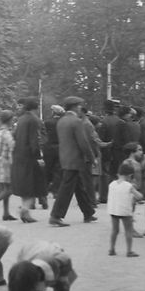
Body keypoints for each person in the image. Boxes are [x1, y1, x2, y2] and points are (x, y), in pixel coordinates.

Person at [49, 97, 97, 227]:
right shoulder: (76, 121)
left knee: (78, 186)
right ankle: (56, 215)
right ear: (76, 107)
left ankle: (88, 212)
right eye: (80, 105)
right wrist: (92, 158)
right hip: (75, 159)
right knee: (66, 188)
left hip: (64, 157)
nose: (81, 108)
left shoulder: (61, 121)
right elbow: (83, 143)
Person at [11, 97, 45, 222]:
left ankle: (25, 210)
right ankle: (25, 211)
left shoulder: (20, 120)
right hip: (29, 157)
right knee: (32, 186)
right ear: (35, 108)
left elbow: (14, 136)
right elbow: (34, 141)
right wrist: (39, 157)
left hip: (18, 155)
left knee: (24, 187)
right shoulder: (34, 120)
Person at [106, 161, 144, 257]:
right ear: (130, 175)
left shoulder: (112, 184)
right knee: (128, 230)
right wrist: (137, 193)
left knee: (115, 230)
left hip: (113, 210)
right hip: (125, 211)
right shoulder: (129, 186)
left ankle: (111, 249)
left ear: (118, 174)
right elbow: (139, 196)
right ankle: (129, 251)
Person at [42, 105, 64, 198]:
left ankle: (44, 189)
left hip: (49, 148)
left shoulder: (47, 122)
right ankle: (56, 191)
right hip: (60, 147)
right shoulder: (62, 122)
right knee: (58, 170)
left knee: (47, 169)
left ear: (53, 112)